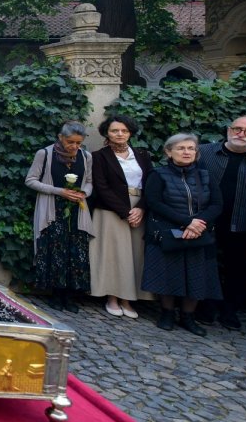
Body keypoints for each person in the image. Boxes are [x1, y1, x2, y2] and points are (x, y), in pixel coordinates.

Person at [142, 133, 222, 336]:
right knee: (168, 274)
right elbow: (154, 203)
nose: (186, 152)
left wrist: (198, 224)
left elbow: (217, 204)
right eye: (181, 148)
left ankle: (188, 316)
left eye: (191, 148)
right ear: (169, 152)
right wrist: (187, 222)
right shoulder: (158, 174)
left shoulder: (206, 175)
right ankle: (167, 313)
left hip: (199, 233)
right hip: (169, 232)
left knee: (196, 276)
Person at [196, 116, 246, 330]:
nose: (241, 133)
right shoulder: (203, 152)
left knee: (236, 270)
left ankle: (230, 312)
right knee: (205, 265)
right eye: (237, 128)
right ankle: (205, 308)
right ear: (228, 130)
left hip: (242, 224)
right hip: (205, 221)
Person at [26, 121, 94, 312]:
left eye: (78, 143)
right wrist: (59, 191)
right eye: (70, 142)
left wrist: (84, 193)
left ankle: (70, 296)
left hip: (77, 211)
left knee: (76, 252)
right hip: (52, 209)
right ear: (61, 137)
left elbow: (89, 181)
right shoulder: (45, 154)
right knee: (56, 251)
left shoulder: (86, 156)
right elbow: (30, 180)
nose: (74, 146)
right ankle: (56, 295)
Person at [90, 115, 153, 318]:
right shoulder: (99, 156)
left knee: (135, 255)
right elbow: (101, 187)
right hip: (111, 211)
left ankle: (128, 299)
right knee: (113, 256)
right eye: (115, 130)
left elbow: (151, 184)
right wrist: (125, 212)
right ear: (106, 133)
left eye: (124, 131)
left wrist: (141, 208)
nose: (119, 134)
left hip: (139, 209)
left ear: (130, 133)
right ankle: (112, 298)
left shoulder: (142, 155)